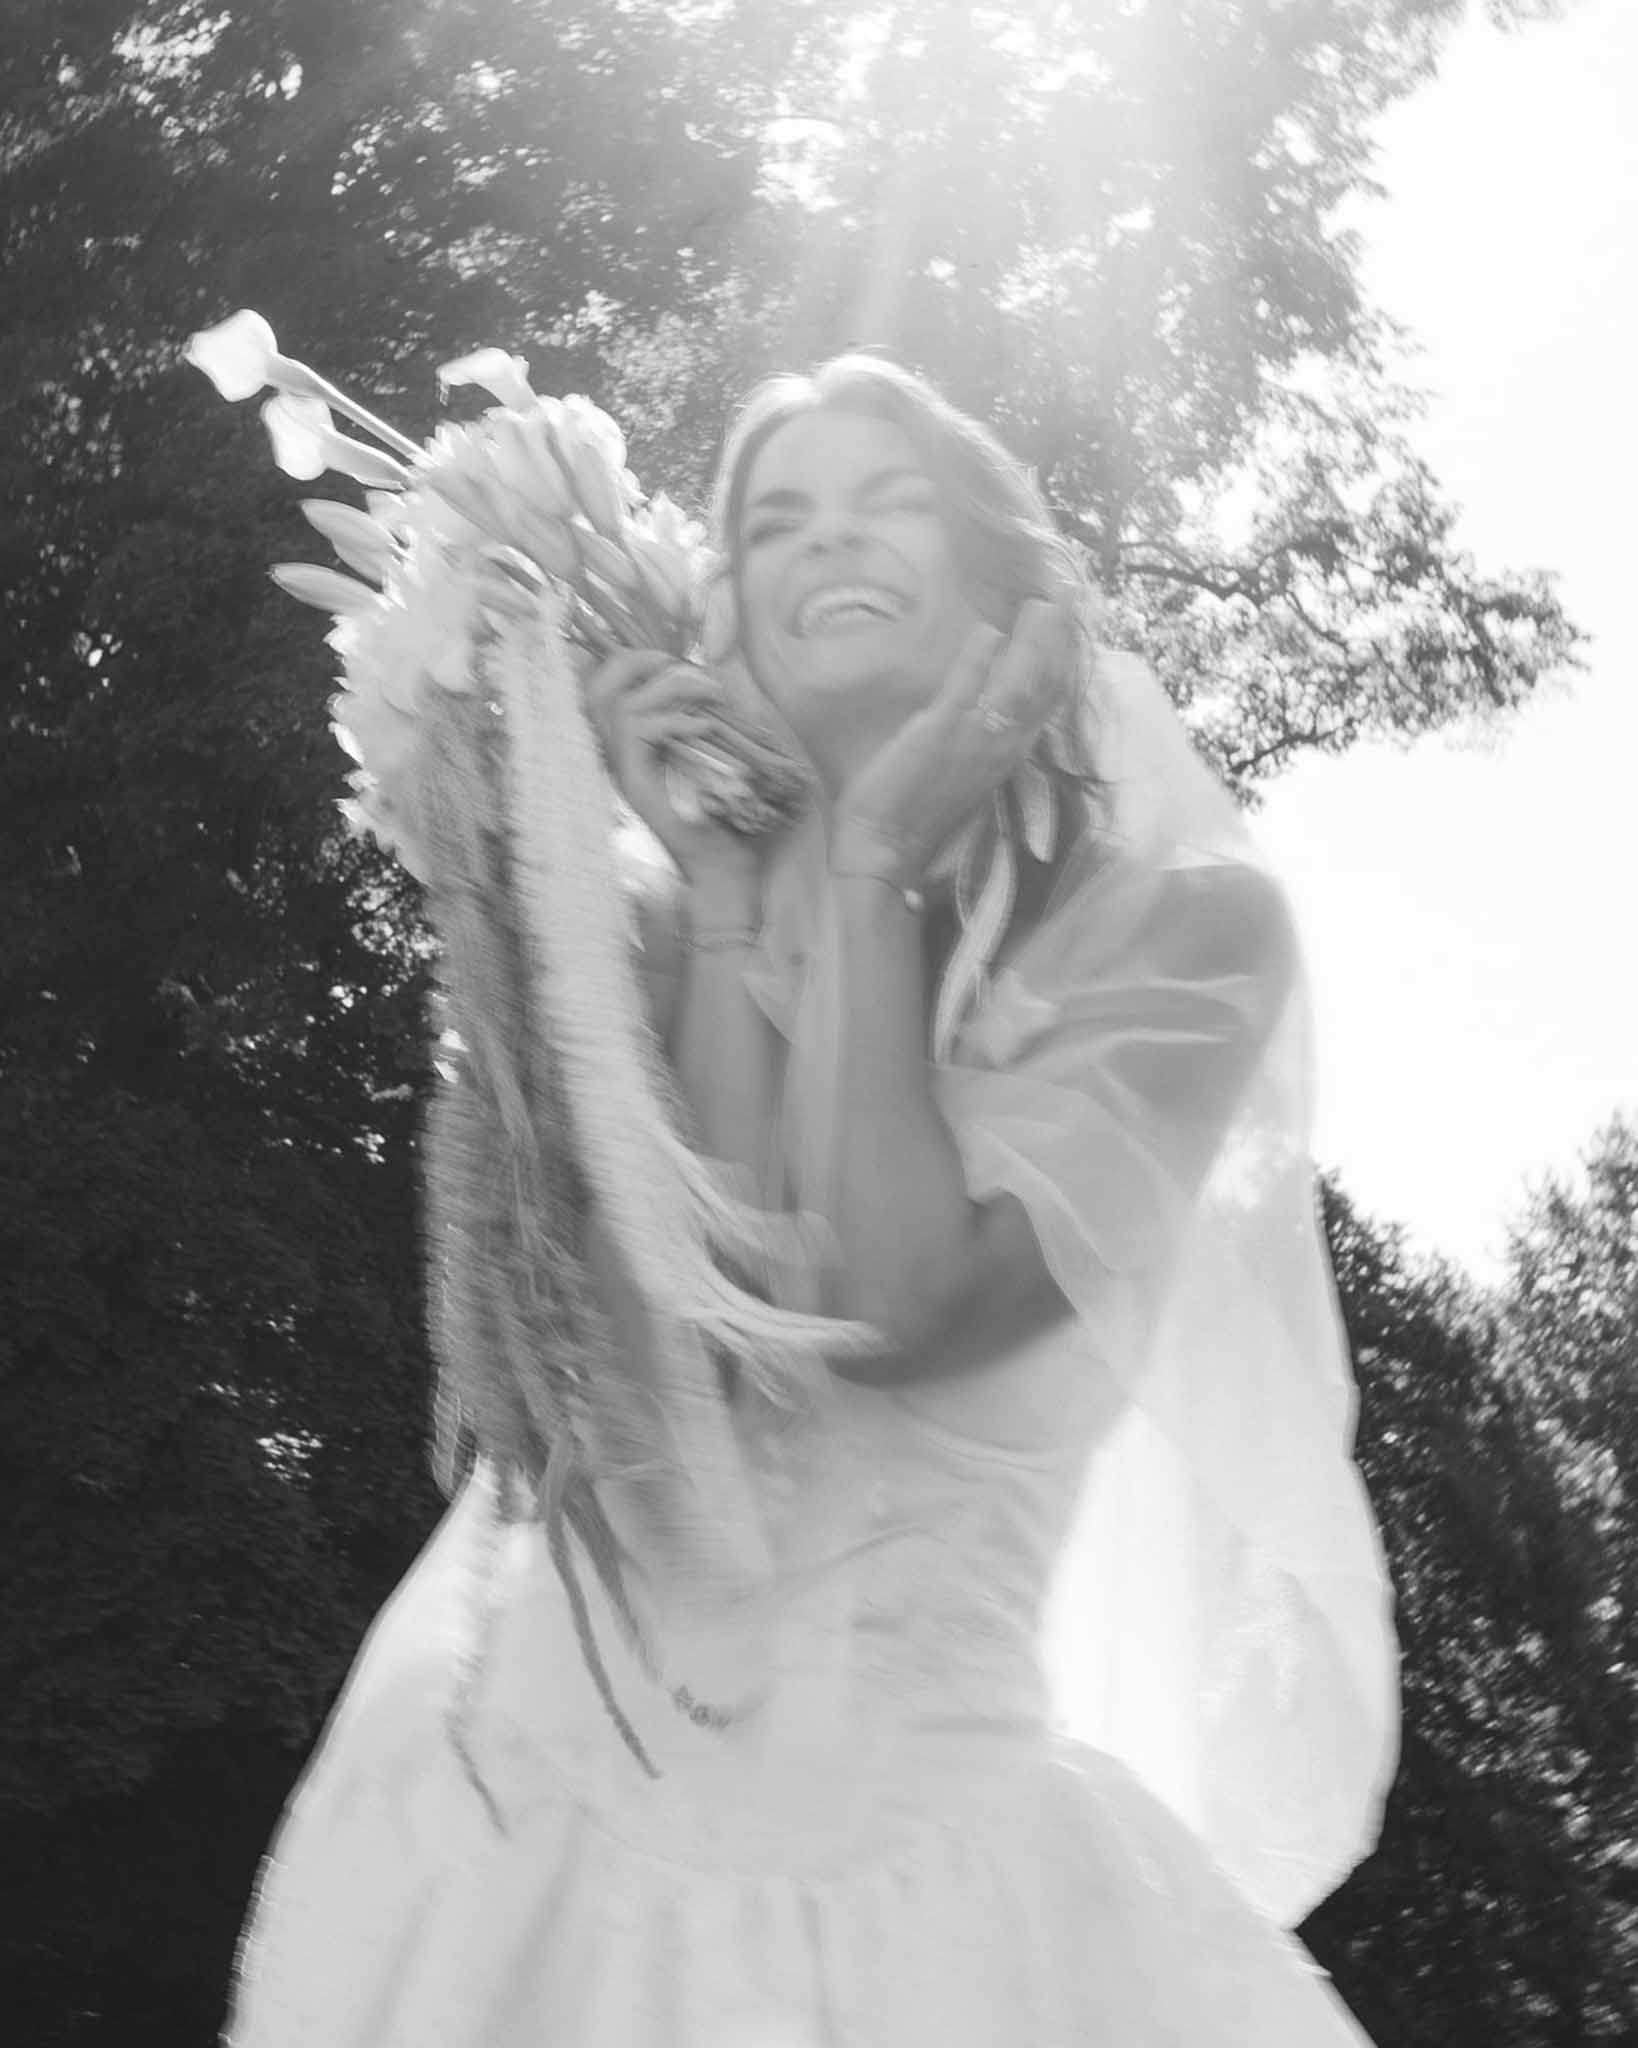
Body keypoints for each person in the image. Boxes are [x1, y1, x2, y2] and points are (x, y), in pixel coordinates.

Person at [224, 357, 1399, 2046]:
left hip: (943, 1914)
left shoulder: (1187, 933)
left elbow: (894, 1307)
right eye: (776, 521)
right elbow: (674, 1392)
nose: (827, 540)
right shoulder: (631, 927)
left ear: (1001, 585)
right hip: (537, 1858)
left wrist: (869, 868)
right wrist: (719, 895)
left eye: (887, 501)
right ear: (732, 614)